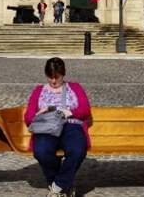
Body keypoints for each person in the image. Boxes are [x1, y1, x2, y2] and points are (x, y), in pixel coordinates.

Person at [25, 57, 92, 197]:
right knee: (41, 151)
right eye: (50, 77)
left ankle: (57, 187)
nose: (54, 81)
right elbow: (28, 117)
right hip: (47, 127)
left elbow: (85, 110)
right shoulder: (39, 91)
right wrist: (39, 113)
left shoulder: (75, 87)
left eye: (57, 77)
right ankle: (65, 185)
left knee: (77, 150)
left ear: (63, 74)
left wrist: (69, 112)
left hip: (71, 125)